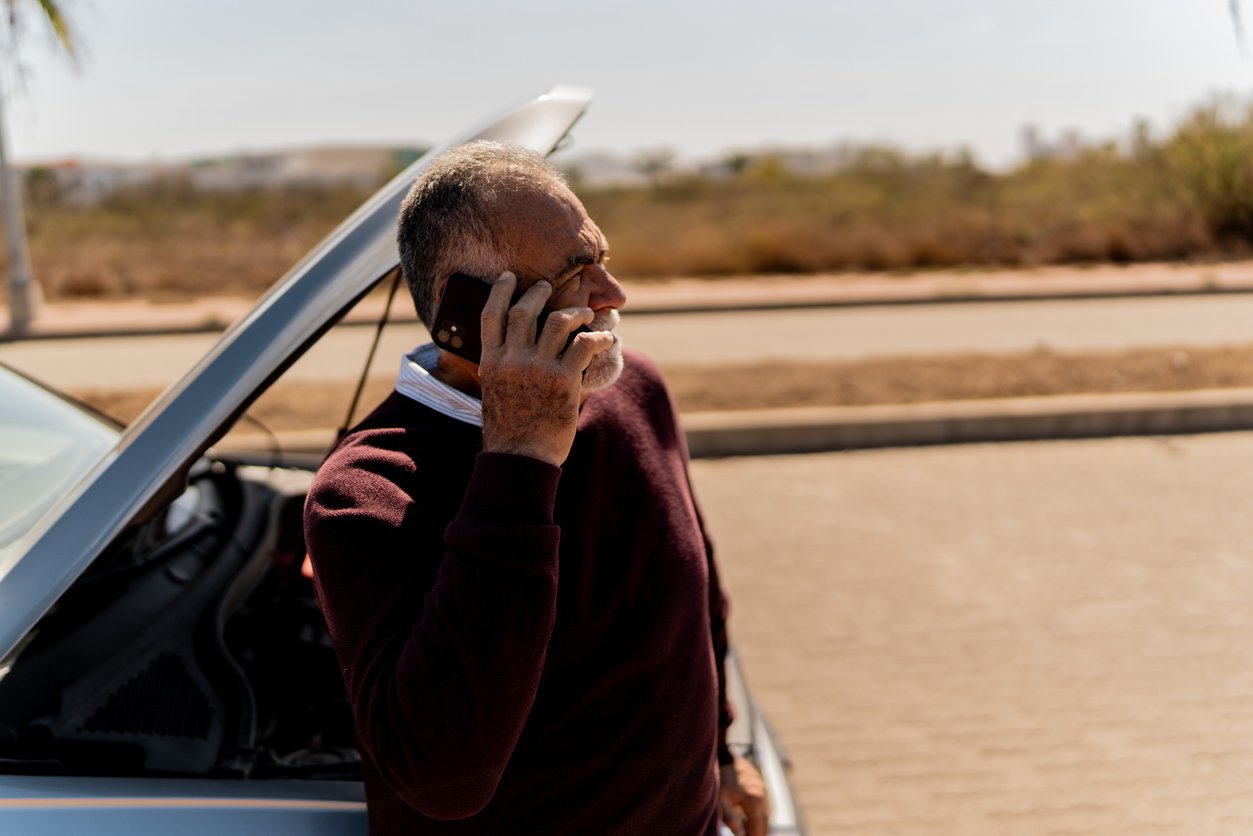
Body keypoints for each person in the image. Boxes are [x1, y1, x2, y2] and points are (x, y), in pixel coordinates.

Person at [304, 140, 768, 835]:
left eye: (601, 259)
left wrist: (723, 749)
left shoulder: (634, 390)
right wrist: (520, 457)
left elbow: (692, 595)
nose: (614, 296)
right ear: (471, 314)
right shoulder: (367, 492)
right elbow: (441, 776)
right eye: (576, 274)